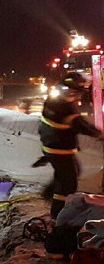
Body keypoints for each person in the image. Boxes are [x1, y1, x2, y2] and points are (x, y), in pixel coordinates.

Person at [39, 73, 103, 219]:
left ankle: (47, 194)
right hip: (59, 148)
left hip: (53, 146)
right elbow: (80, 125)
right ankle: (57, 215)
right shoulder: (64, 106)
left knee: (68, 173)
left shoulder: (53, 101)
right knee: (68, 184)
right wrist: (99, 135)